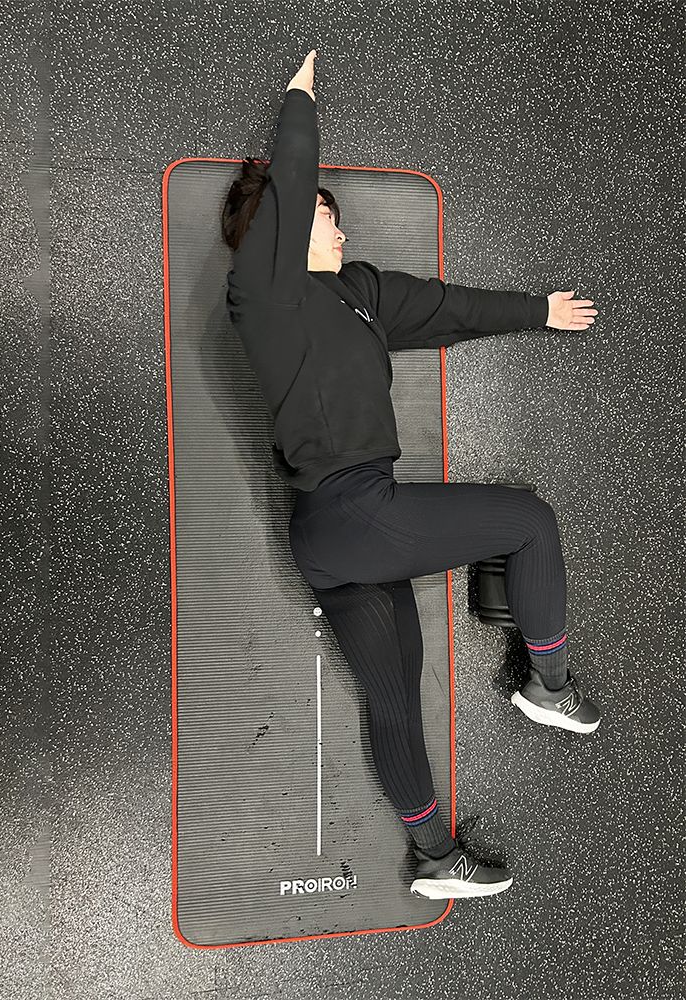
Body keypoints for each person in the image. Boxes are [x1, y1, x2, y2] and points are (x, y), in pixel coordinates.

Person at [223, 50, 601, 900]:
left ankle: (434, 854)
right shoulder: (264, 296)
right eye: (326, 217)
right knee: (528, 521)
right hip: (353, 509)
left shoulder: (356, 292)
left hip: (340, 540)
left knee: (395, 696)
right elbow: (288, 188)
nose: (340, 230)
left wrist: (537, 311)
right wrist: (297, 104)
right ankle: (549, 683)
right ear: (281, 229)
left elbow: (445, 307)